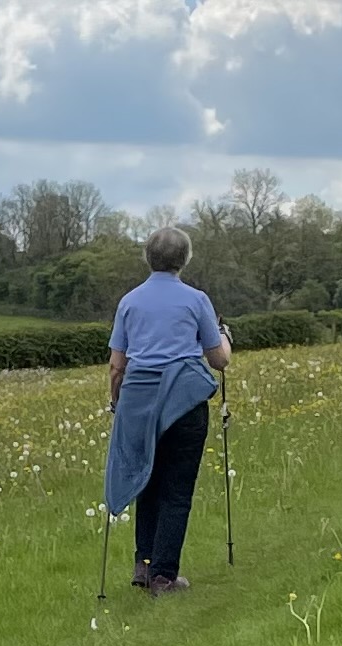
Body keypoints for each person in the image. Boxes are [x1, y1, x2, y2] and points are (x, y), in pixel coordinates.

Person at [105, 227, 232, 597]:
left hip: (139, 405)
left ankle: (143, 565)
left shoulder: (129, 301)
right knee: (176, 490)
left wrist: (116, 403)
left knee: (146, 481)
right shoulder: (196, 300)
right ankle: (164, 575)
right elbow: (218, 359)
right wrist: (226, 337)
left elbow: (117, 366)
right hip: (185, 405)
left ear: (148, 258)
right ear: (185, 259)